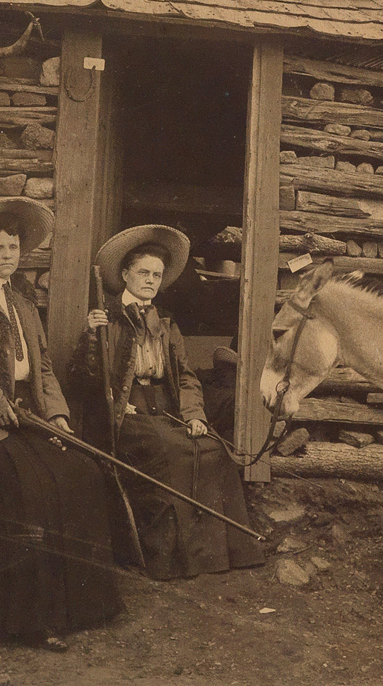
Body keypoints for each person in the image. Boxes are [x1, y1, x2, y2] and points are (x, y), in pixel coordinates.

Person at [0, 197, 123, 650]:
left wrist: (58, 416)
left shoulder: (24, 304)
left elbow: (44, 367)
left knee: (82, 474)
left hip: (29, 418)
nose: (7, 255)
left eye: (13, 247)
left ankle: (81, 607)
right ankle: (30, 618)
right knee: (29, 488)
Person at [75, 225, 264, 581]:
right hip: (126, 416)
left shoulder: (164, 323)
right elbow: (86, 378)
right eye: (143, 273)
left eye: (156, 275)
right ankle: (174, 560)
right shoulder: (108, 319)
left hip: (165, 409)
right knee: (172, 452)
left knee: (212, 450)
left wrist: (194, 415)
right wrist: (90, 334)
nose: (150, 280)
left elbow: (187, 375)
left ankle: (222, 555)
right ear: (126, 274)